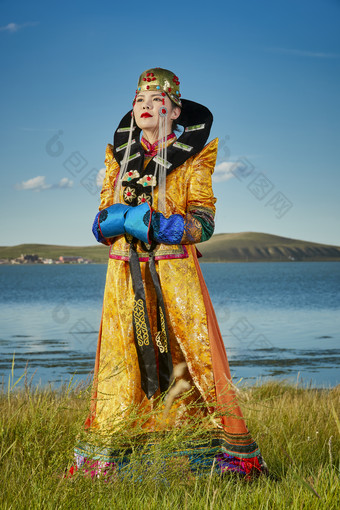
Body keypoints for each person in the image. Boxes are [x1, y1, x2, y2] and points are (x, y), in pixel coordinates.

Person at [73, 68, 267, 478]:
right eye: (139, 101)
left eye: (155, 101)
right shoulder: (119, 158)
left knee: (187, 356)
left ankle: (208, 460)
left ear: (175, 112)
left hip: (175, 278)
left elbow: (204, 224)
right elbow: (98, 221)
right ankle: (113, 462)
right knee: (122, 357)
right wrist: (105, 224)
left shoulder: (194, 159)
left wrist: (160, 227)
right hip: (123, 278)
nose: (144, 106)